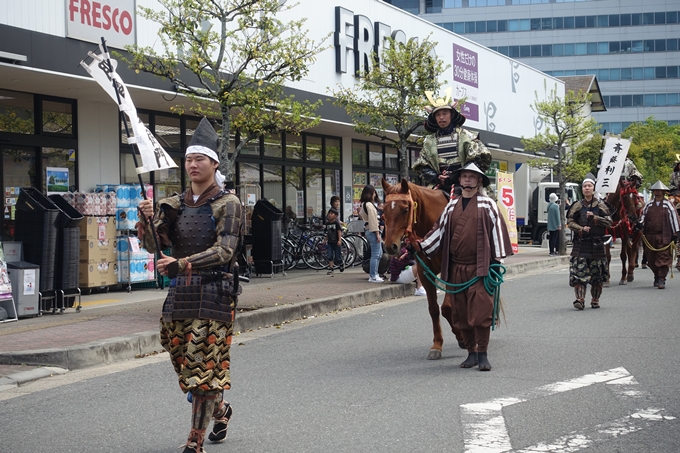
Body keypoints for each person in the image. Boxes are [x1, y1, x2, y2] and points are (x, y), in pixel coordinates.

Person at [137, 117, 242, 453]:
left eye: (200, 159)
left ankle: (194, 443)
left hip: (214, 293)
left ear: (214, 163)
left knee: (201, 368)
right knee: (184, 364)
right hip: (179, 296)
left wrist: (183, 263)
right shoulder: (173, 204)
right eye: (188, 159)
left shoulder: (230, 204)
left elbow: (225, 250)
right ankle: (220, 409)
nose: (193, 165)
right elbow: (155, 246)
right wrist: (145, 219)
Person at [411, 162, 513, 371]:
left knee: (481, 310)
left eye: (472, 177)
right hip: (457, 267)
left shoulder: (488, 205)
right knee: (460, 311)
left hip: (481, 268)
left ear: (479, 181)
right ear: (459, 180)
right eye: (464, 176)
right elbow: (438, 232)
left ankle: (483, 353)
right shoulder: (451, 206)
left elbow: (496, 233)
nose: (468, 180)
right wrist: (420, 245)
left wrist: (496, 262)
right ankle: (471, 353)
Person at [412, 88, 492, 199]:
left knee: (486, 206)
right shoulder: (429, 142)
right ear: (434, 118)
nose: (441, 117)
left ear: (452, 115)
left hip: (466, 185)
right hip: (439, 185)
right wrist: (437, 177)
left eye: (445, 113)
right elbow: (423, 166)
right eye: (438, 115)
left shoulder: (467, 137)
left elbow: (477, 161)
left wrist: (456, 176)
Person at [567, 173, 613, 310]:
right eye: (585, 186)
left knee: (597, 275)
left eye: (589, 186)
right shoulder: (577, 205)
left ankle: (595, 299)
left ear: (594, 188)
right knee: (579, 274)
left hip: (597, 245)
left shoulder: (601, 205)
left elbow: (610, 222)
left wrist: (596, 218)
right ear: (582, 189)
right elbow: (569, 221)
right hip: (581, 244)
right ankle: (579, 299)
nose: (587, 188)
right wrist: (580, 228)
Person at [637, 181, 680, 289]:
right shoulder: (649, 205)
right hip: (650, 236)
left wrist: (675, 233)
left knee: (663, 257)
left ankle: (662, 278)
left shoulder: (668, 205)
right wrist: (640, 224)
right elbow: (643, 217)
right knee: (651, 259)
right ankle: (656, 275)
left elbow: (674, 218)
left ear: (663, 192)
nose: (657, 192)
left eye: (659, 191)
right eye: (655, 190)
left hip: (664, 235)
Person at [359, 185, 383, 283]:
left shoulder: (363, 204)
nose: (374, 195)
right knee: (376, 254)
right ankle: (373, 275)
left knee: (378, 254)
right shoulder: (369, 205)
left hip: (368, 230)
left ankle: (374, 274)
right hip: (373, 231)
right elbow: (373, 220)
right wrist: (377, 233)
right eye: (373, 192)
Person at [325, 207, 344, 275]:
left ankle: (341, 263)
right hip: (330, 242)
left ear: (335, 216)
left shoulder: (336, 223)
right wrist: (325, 240)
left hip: (336, 242)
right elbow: (327, 233)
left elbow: (339, 232)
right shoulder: (327, 224)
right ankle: (331, 268)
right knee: (329, 255)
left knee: (337, 256)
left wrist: (339, 240)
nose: (329, 215)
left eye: (332, 213)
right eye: (329, 213)